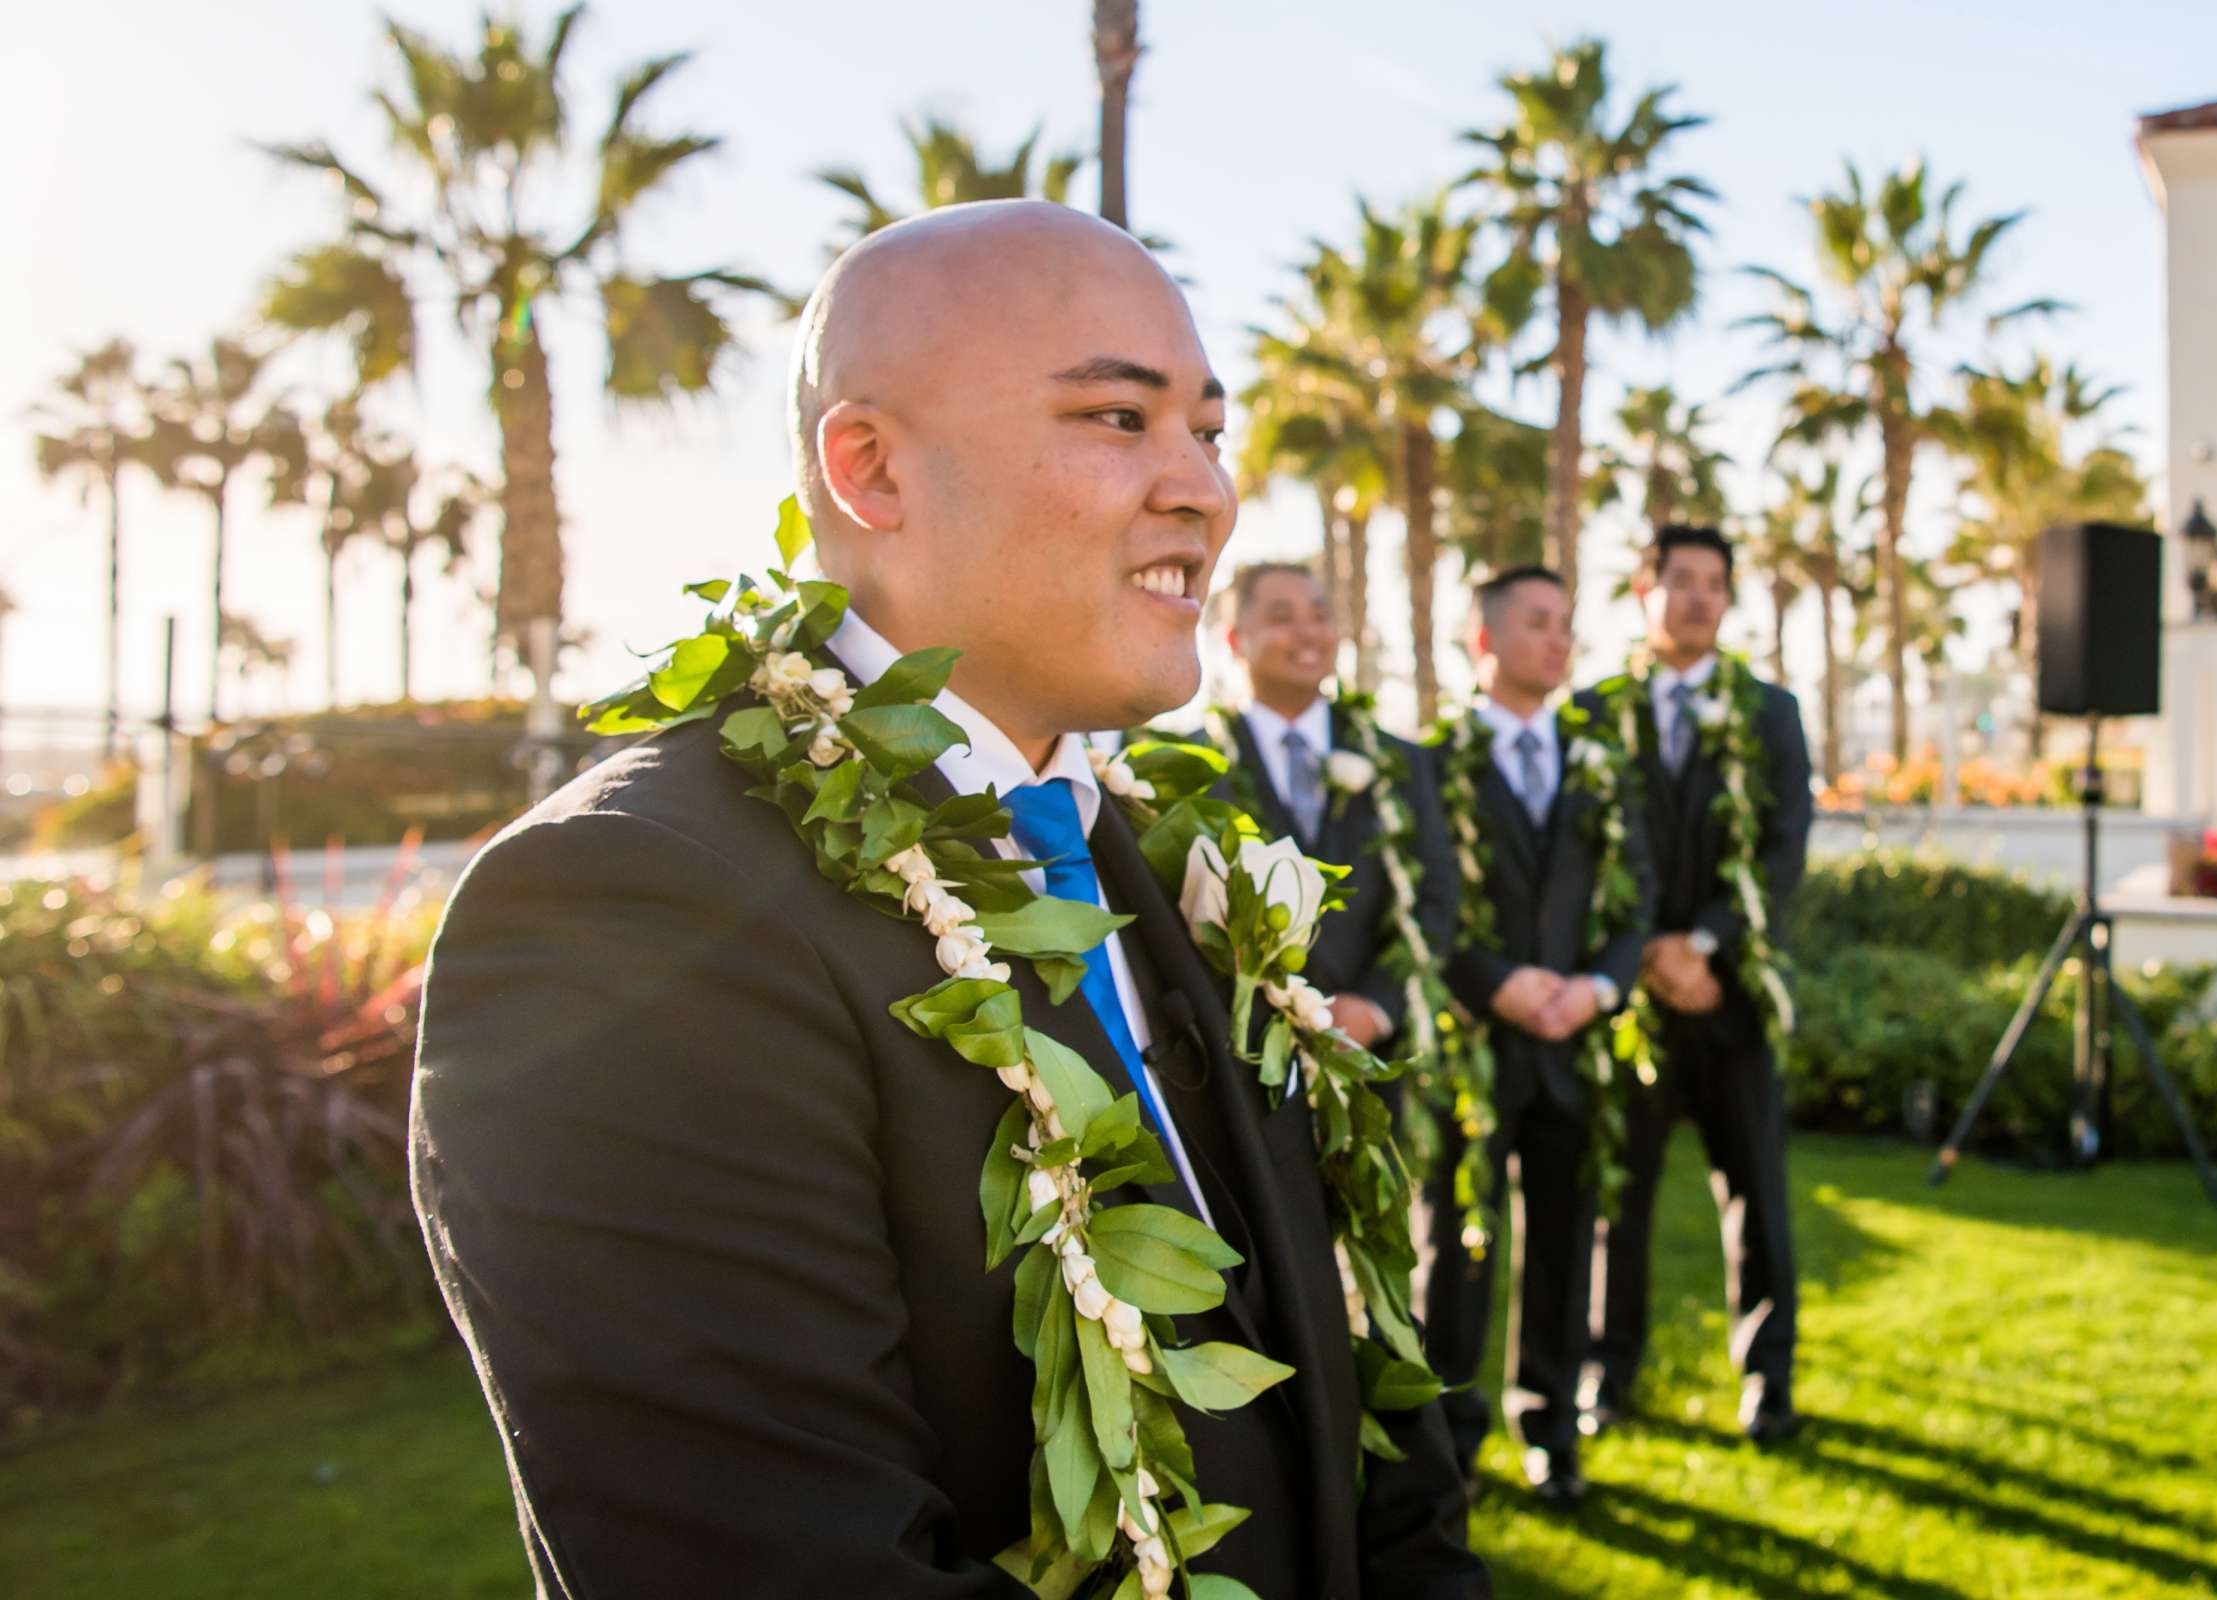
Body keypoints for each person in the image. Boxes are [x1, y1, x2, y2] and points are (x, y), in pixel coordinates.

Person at [411, 201, 1487, 1598]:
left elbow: (1359, 1407)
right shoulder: (628, 912)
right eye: (1119, 418)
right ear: (868, 467)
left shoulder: (1169, 866)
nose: (1205, 492)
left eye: (1209, 434)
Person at [1423, 564, 1655, 1504]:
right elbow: (1424, 900)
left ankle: (1551, 1433)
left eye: (1566, 624)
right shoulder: (1432, 762)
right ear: (1484, 639)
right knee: (1456, 1253)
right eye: (1536, 623)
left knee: (1564, 1244)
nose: (1558, 641)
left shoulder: (1601, 761)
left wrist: (1600, 988)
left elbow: (1637, 897)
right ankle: (1449, 1445)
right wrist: (1498, 985)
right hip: (1473, 1050)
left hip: (1574, 1048)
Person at [1588, 524, 1815, 1446]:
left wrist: (1710, 945)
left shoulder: (1770, 712)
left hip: (1731, 999)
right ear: (1646, 591)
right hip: (1632, 1002)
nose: (1697, 599)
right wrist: (1645, 953)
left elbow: (1785, 846)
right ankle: (1607, 1376)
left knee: (1757, 1193)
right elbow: (1586, 847)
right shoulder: (1599, 711)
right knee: (1618, 1198)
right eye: (1681, 581)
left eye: (1714, 584)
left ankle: (1769, 1383)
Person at [1209, 561, 1459, 1061]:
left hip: (1374, 1053)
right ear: (1236, 641)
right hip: (1240, 1052)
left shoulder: (1398, 761)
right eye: (1283, 617)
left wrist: (1376, 1006)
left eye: (1319, 615)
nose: (1308, 632)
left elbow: (1436, 893)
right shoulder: (1199, 767)